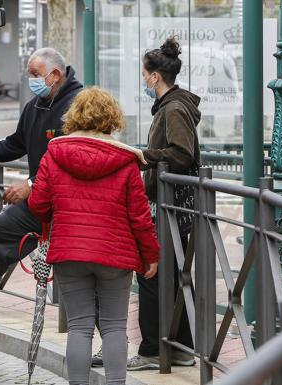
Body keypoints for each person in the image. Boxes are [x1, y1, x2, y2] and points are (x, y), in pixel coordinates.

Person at [27, 87, 159, 385]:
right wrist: (150, 255)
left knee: (79, 326)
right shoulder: (125, 160)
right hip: (115, 255)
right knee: (114, 326)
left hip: (69, 252)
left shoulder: (55, 154)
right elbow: (140, 217)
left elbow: (38, 204)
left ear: (74, 116)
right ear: (111, 119)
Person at [0, 47, 83, 278]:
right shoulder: (34, 106)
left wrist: (31, 185)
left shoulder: (78, 105)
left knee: (74, 282)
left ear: (56, 75)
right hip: (39, 204)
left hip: (69, 205)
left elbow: (71, 161)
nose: (31, 81)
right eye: (29, 74)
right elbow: (14, 144)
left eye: (36, 75)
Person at [126, 37, 201, 370]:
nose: (144, 79)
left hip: (166, 207)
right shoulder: (173, 106)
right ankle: (182, 346)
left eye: (145, 74)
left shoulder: (173, 109)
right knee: (169, 274)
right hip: (168, 205)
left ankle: (154, 348)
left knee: (152, 273)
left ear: (155, 76)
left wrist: (145, 156)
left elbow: (182, 153)